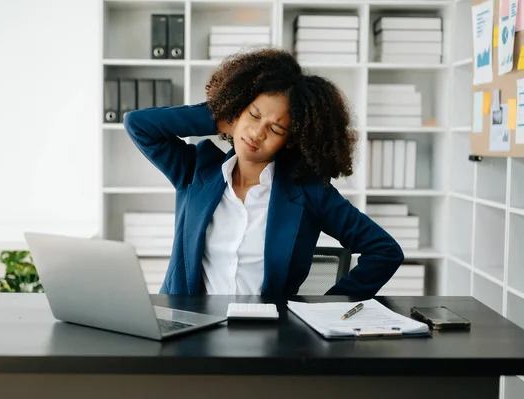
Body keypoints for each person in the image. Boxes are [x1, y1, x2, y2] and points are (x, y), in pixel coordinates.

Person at [124, 48, 404, 298]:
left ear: (291, 140)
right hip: (189, 333)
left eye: (276, 129)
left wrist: (327, 307)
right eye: (254, 115)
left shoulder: (309, 192)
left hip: (268, 340)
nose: (257, 133)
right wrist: (222, 116)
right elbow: (139, 124)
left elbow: (384, 251)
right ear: (237, 111)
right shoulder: (195, 172)